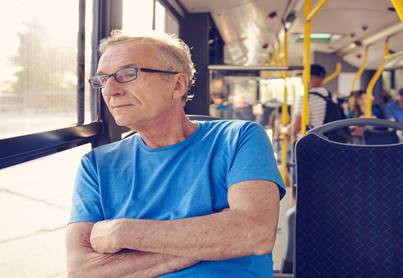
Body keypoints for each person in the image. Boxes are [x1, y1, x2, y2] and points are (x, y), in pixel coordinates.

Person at [65, 30, 285, 278]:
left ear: (177, 84)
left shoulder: (240, 137)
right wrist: (216, 238)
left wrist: (122, 232)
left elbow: (254, 233)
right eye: (102, 80)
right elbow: (81, 270)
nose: (110, 90)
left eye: (127, 74)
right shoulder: (96, 164)